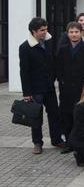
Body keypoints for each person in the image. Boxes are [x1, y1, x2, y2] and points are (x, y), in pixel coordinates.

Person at [19, 17, 63, 154]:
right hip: (35, 89)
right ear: (34, 31)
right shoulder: (25, 47)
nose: (45, 32)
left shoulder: (49, 42)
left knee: (54, 114)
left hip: (49, 87)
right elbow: (24, 71)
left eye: (46, 29)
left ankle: (56, 140)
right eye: (42, 30)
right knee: (36, 117)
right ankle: (37, 143)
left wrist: (55, 77)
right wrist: (26, 93)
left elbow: (54, 61)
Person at [56, 22, 84, 152]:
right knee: (66, 115)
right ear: (67, 34)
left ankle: (79, 143)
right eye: (71, 32)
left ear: (81, 33)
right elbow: (58, 69)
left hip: (81, 88)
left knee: (78, 115)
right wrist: (62, 81)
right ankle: (68, 143)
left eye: (76, 32)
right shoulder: (63, 49)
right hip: (66, 89)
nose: (74, 34)